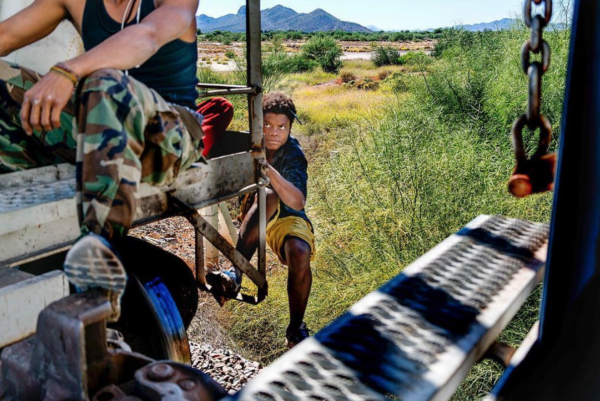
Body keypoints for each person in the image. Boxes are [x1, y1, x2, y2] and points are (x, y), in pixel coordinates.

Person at [0, 0, 233, 321]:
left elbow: (147, 35)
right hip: (100, 127)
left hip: (167, 137)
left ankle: (99, 251)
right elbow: (6, 35)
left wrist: (68, 70)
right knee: (4, 80)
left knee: (104, 81)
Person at [207, 92, 316, 348]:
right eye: (267, 125)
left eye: (281, 127)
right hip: (256, 212)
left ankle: (295, 328)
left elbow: (298, 201)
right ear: (258, 125)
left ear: (289, 128)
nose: (273, 132)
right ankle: (235, 274)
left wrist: (266, 168)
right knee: (265, 195)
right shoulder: (250, 142)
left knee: (299, 251)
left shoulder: (293, 154)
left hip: (288, 217)